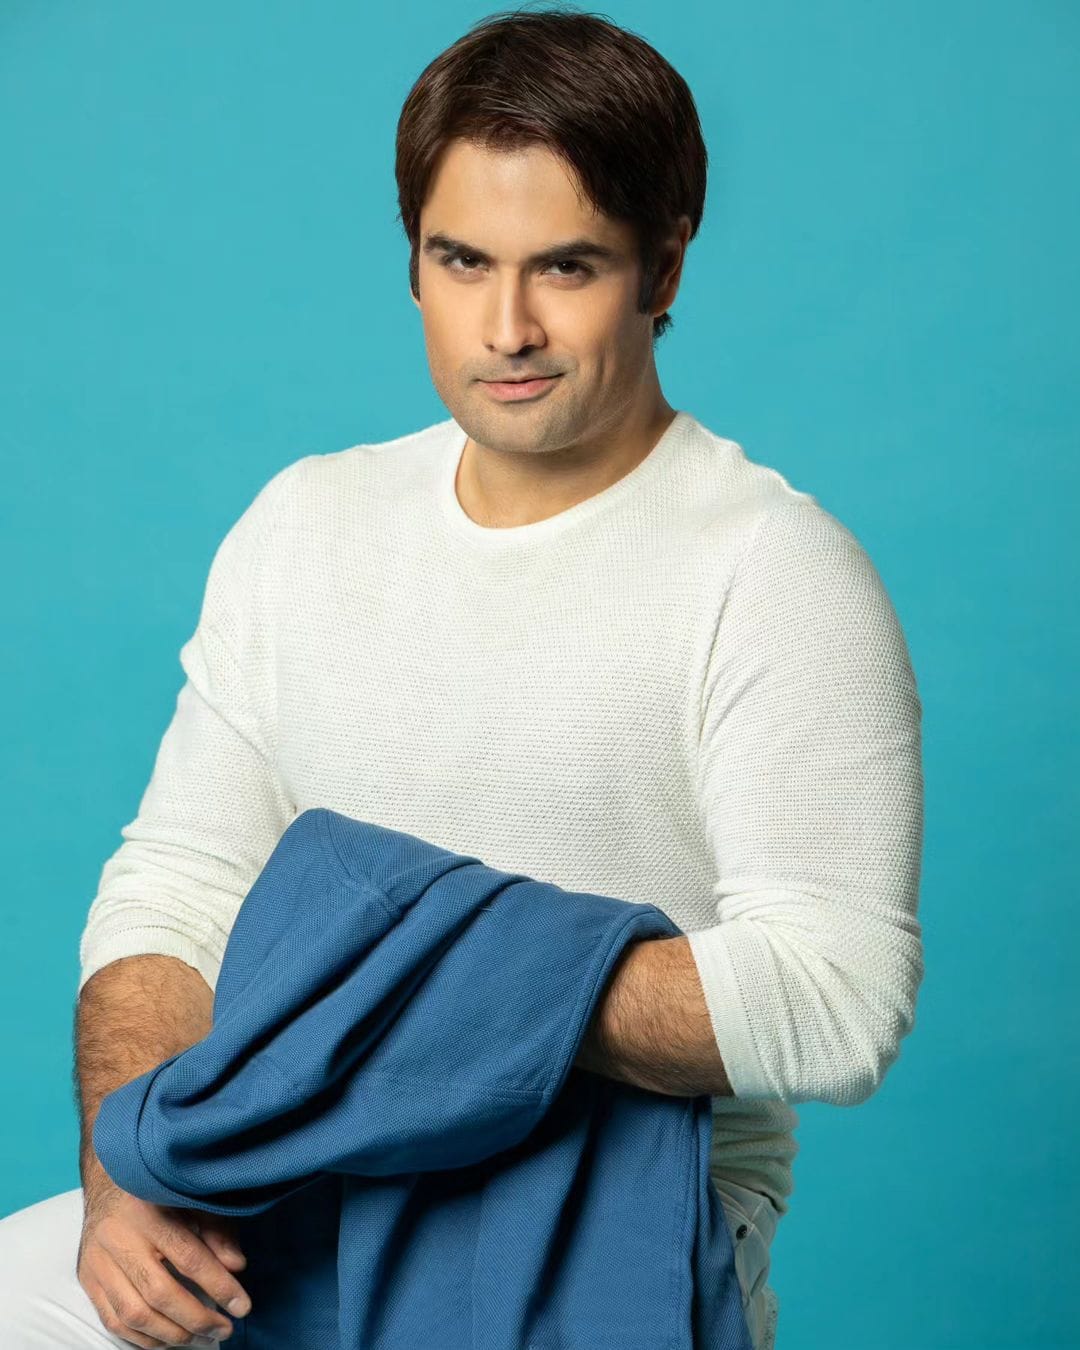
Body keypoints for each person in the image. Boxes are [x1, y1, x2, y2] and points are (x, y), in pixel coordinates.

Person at [0, 8, 924, 1348]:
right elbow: (176, 893)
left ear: (663, 264)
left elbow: (836, 999)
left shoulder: (772, 570)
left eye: (566, 267)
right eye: (463, 261)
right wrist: (126, 1167)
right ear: (415, 264)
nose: (508, 327)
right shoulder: (306, 524)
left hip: (615, 1196)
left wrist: (422, 976)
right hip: (288, 1168)